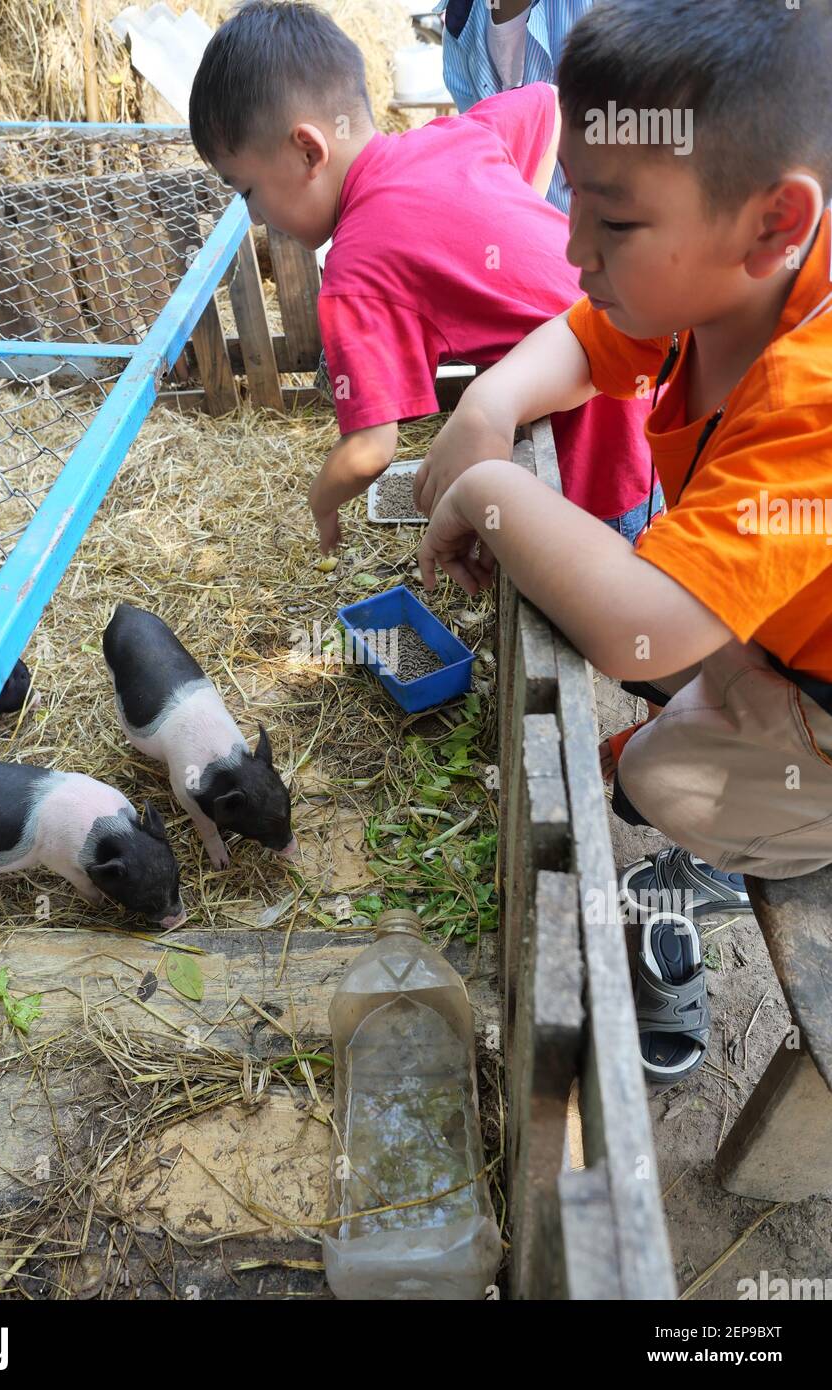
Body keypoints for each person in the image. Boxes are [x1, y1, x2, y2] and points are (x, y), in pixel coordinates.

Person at [415, 0, 832, 1079]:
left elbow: (640, 637)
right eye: (578, 202)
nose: (570, 245)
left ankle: (707, 869)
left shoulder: (818, 388)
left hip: (819, 700)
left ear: (775, 223)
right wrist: (487, 408)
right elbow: (584, 334)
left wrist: (497, 488)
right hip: (784, 626)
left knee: (655, 779)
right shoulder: (726, 277)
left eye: (615, 222)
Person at [188, 0, 653, 554]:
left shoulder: (355, 270)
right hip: (648, 365)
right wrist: (514, 227)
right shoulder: (448, 137)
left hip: (597, 453)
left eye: (248, 192)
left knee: (585, 603)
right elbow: (545, 104)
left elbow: (371, 449)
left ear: (309, 150)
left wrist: (320, 500)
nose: (257, 217)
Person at [437, 0, 594, 213]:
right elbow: (482, 144)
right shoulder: (462, 15)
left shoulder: (601, 11)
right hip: (516, 227)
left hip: (603, 228)